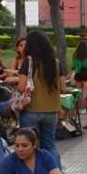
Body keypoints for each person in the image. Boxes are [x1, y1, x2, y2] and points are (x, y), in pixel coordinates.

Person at [18, 30, 64, 163]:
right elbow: (62, 87)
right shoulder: (55, 62)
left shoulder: (29, 61)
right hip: (51, 111)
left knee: (30, 147)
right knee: (49, 146)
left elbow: (21, 87)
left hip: (31, 110)